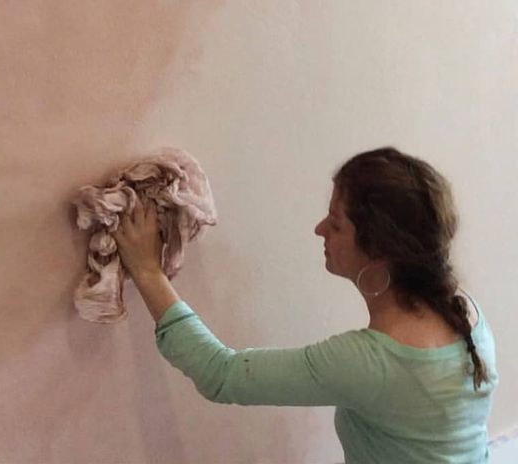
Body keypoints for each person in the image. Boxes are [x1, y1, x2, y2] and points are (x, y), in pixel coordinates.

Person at [112, 147, 498, 464]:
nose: (319, 229)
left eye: (336, 222)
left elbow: (221, 374)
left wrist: (148, 272)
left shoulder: (371, 362)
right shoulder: (465, 312)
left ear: (379, 251)